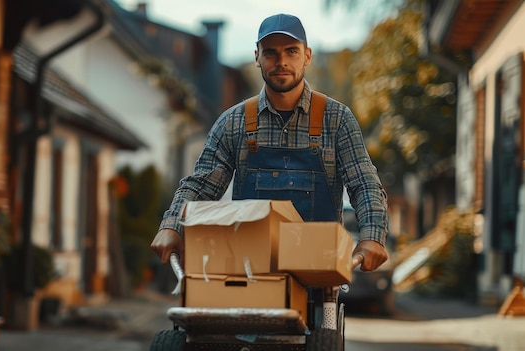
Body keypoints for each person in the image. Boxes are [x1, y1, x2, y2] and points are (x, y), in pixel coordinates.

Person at [151, 13, 388, 272]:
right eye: (271, 53)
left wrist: (371, 236)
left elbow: (364, 184)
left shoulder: (337, 119)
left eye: (291, 52)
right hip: (252, 271)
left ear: (307, 56)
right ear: (257, 57)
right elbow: (201, 185)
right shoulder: (233, 122)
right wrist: (172, 226)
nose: (282, 62)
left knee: (324, 312)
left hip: (319, 271)